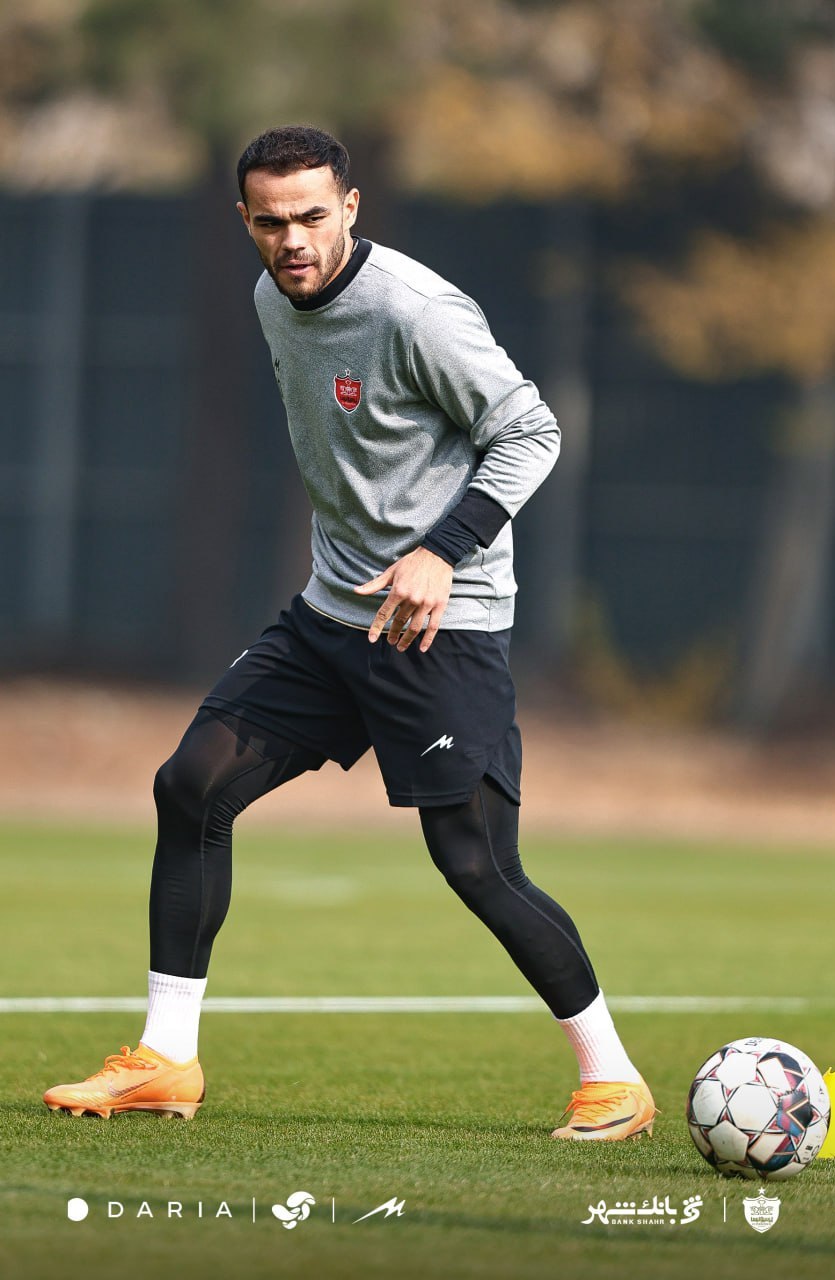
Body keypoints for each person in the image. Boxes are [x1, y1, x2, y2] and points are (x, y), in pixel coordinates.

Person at [44, 125, 655, 1140]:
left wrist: (441, 551)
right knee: (190, 785)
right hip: (330, 614)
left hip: (438, 622)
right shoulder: (269, 297)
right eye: (270, 222)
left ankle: (614, 1076)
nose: (292, 240)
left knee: (475, 862)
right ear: (245, 220)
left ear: (351, 207)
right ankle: (165, 1058)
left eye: (312, 216)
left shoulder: (416, 310)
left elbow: (531, 429)